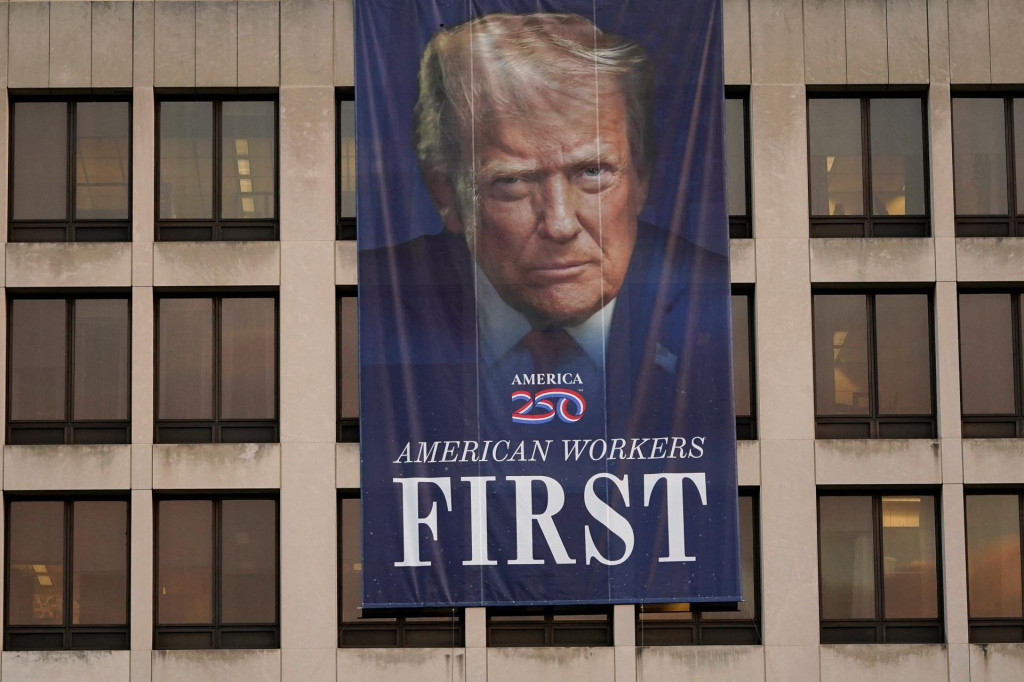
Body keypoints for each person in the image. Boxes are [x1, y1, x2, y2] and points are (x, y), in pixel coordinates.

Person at [359, 11, 731, 444]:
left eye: (592, 171)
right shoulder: (371, 306)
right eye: (513, 181)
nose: (559, 224)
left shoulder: (717, 299)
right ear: (446, 193)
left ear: (641, 178)